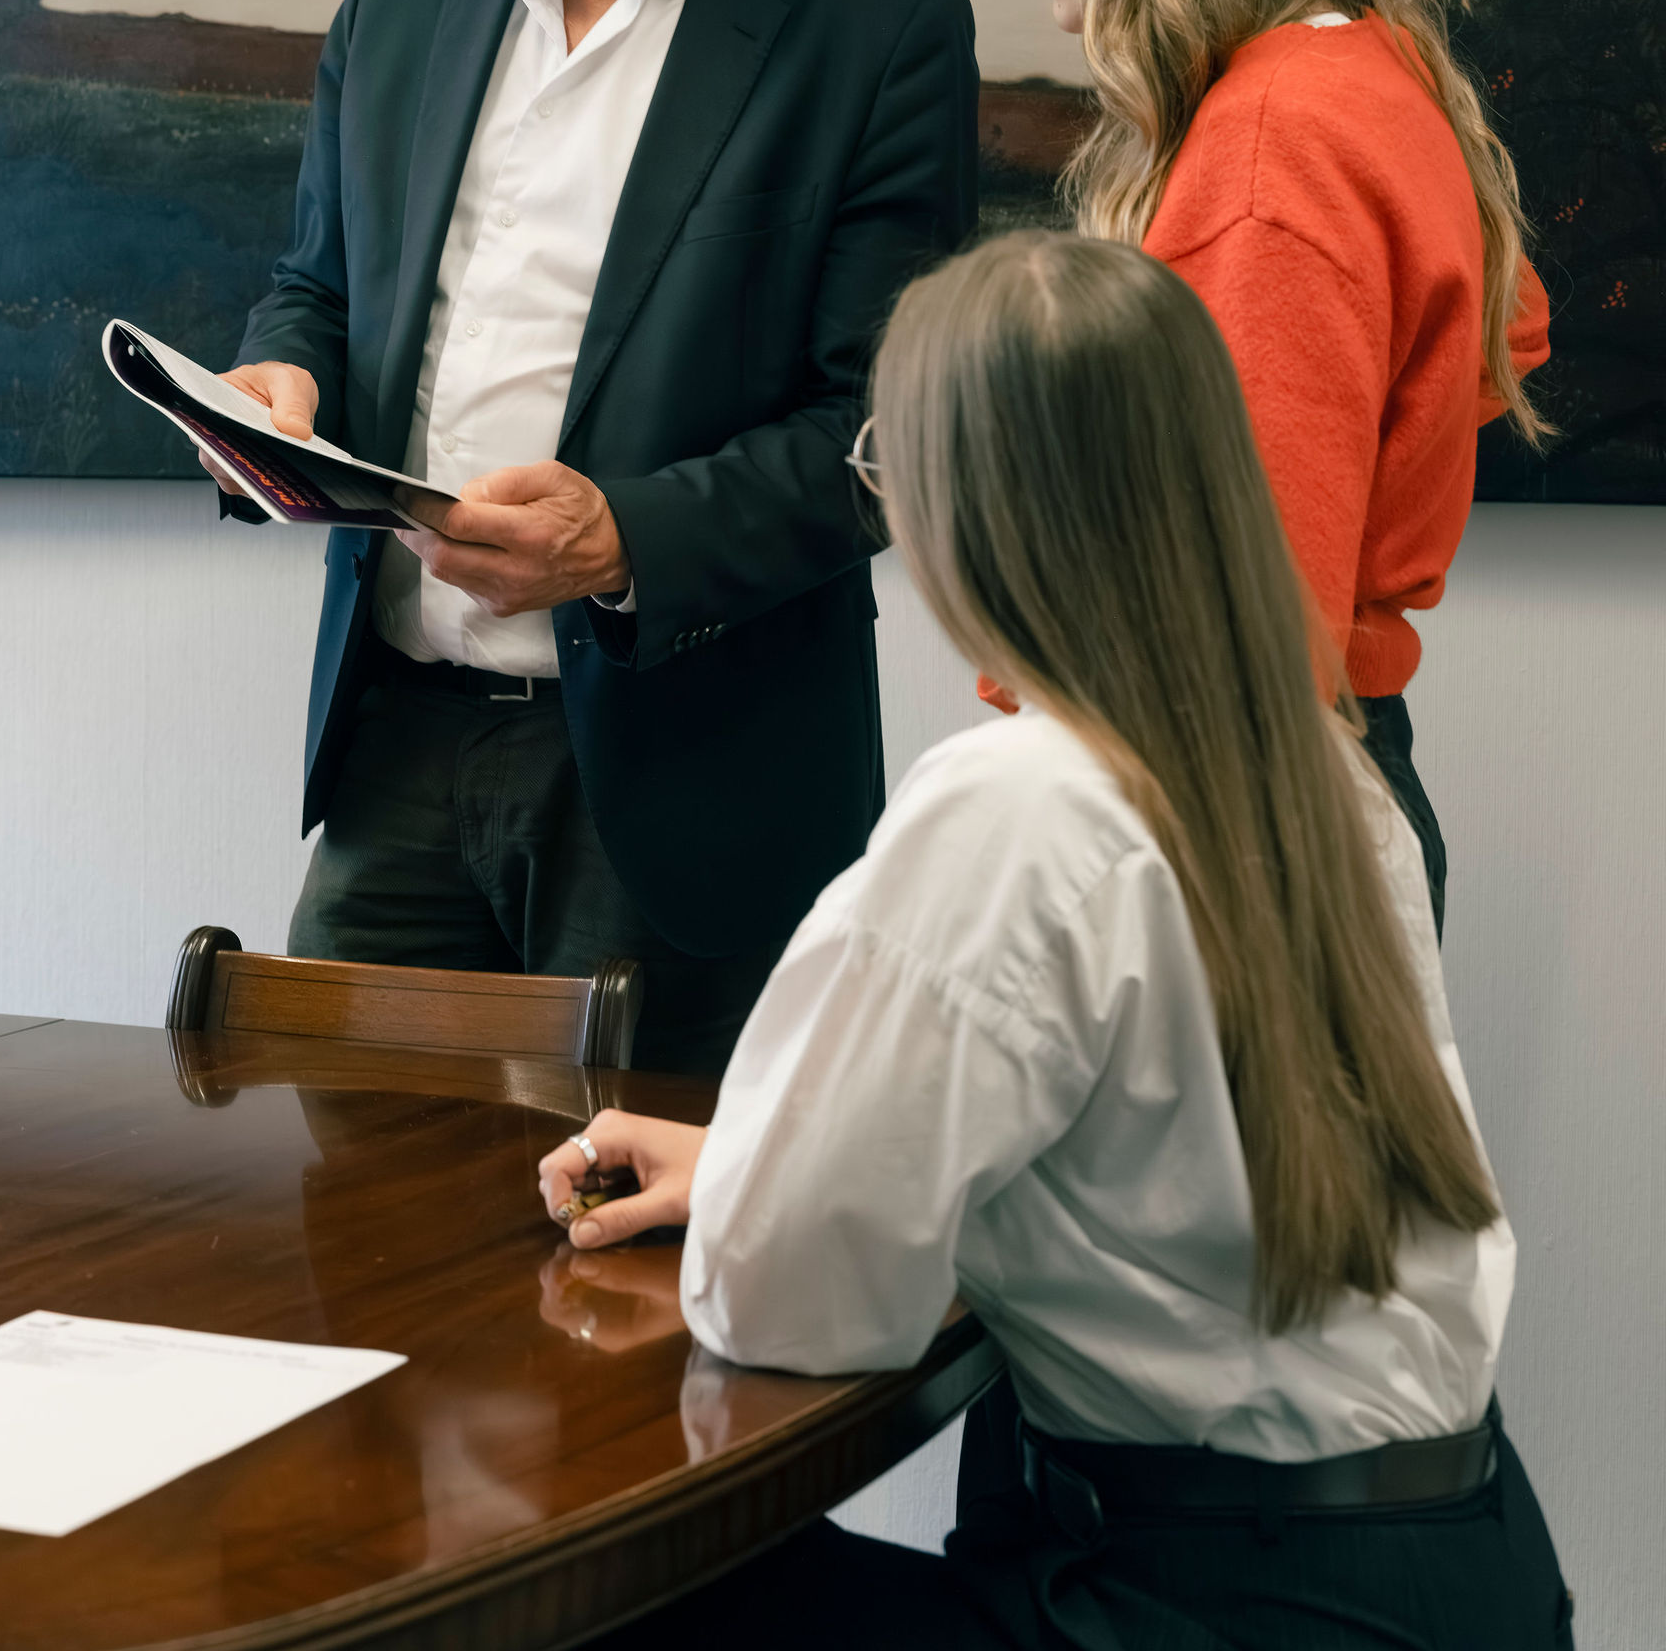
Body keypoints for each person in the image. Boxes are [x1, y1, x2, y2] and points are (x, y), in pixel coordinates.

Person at [537, 232, 1573, 1651]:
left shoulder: (1019, 804)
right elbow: (1155, 1187)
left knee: (603, 1598)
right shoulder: (1325, 778)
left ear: (968, 507)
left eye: (884, 472)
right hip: (1456, 1569)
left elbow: (792, 1306)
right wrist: (751, 1163)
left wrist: (763, 1191)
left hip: (1204, 1604)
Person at [209, 0, 979, 1072]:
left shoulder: (882, 27)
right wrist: (279, 384)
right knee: (344, 1194)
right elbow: (319, 287)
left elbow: (887, 441)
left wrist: (622, 539)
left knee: (645, 1221)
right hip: (393, 744)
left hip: (694, 783)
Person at [987, 0, 1549, 937]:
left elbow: (1239, 639)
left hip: (1242, 823)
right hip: (1318, 789)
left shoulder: (1269, 150)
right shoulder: (1370, 67)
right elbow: (1497, 336)